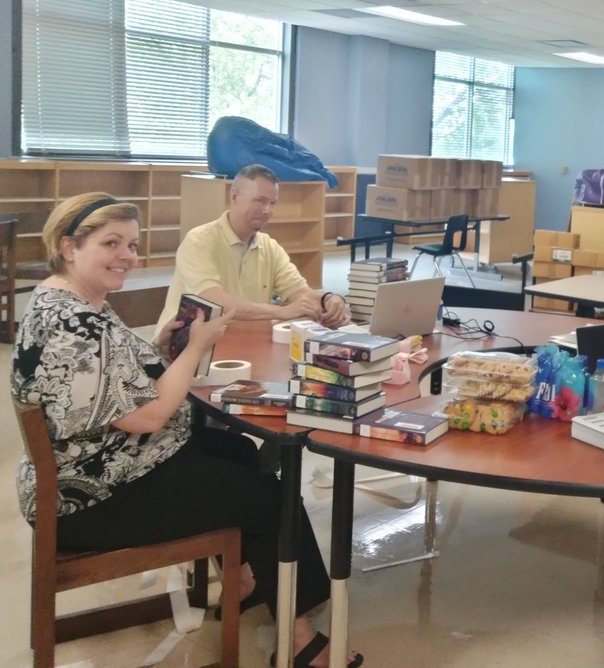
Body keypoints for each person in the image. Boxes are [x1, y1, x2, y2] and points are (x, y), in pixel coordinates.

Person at [12, 193, 362, 668]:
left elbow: (109, 378)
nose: (126, 256)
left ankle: (244, 580)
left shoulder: (63, 300)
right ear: (69, 247)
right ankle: (299, 639)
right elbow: (148, 416)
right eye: (111, 243)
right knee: (268, 498)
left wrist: (160, 345)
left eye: (132, 245)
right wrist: (195, 347)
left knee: (239, 451)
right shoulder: (75, 322)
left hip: (93, 465)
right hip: (91, 496)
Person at [156, 164, 350, 337]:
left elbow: (298, 291)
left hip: (242, 340)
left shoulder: (270, 247)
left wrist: (328, 299)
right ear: (234, 196)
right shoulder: (199, 240)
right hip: (183, 346)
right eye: (260, 201)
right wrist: (280, 311)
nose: (267, 211)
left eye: (272, 203)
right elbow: (214, 301)